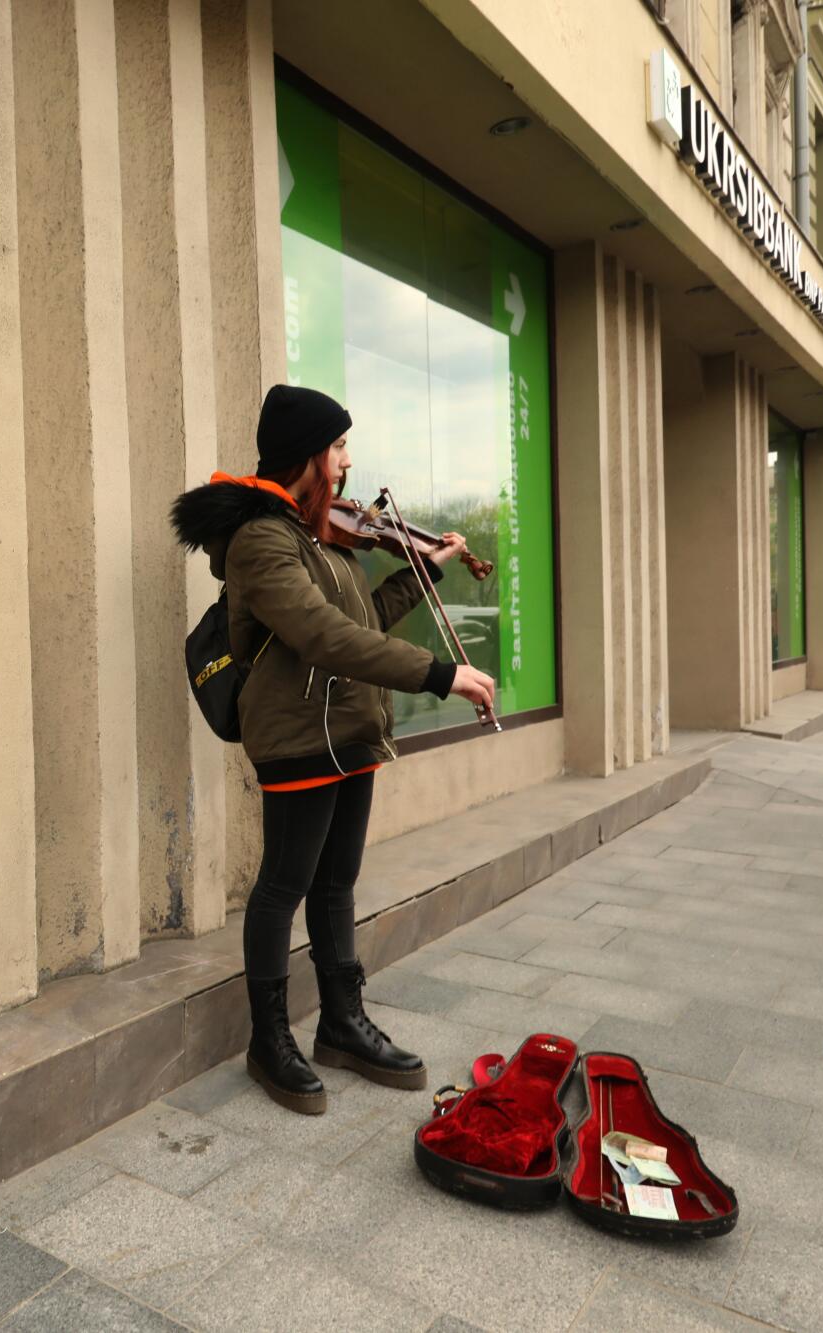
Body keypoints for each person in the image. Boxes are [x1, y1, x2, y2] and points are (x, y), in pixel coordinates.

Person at [171, 384, 497, 1115]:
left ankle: (343, 1025)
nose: (349, 464)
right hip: (296, 738)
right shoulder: (262, 541)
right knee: (283, 887)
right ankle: (268, 1039)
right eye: (339, 447)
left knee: (337, 883)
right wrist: (443, 674)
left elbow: (367, 621)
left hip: (349, 731)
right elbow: (323, 636)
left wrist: (427, 567)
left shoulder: (324, 539)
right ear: (310, 456)